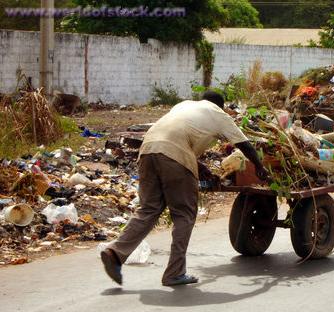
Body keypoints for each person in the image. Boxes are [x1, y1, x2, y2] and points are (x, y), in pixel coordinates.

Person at [101, 91, 269, 286]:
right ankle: (174, 272)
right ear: (220, 106)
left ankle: (115, 252)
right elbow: (244, 145)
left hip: (147, 150)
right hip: (174, 155)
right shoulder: (218, 113)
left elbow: (175, 140)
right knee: (184, 214)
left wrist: (202, 169)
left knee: (148, 209)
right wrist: (259, 166)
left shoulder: (184, 106)